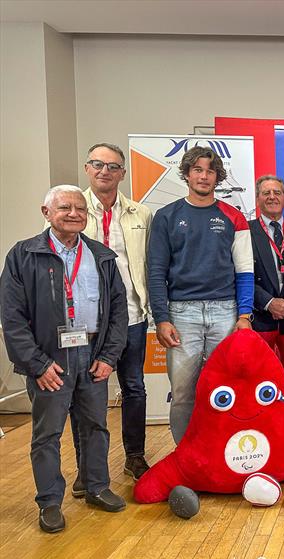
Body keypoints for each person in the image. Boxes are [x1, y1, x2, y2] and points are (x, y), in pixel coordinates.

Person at [1, 185, 129, 533]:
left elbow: (118, 311)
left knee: (96, 427)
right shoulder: (23, 255)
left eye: (79, 209)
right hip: (50, 358)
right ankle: (50, 502)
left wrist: (108, 356)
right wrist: (37, 364)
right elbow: (12, 318)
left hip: (92, 356)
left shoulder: (101, 255)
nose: (74, 214)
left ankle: (96, 486)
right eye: (64, 208)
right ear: (46, 212)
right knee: (47, 434)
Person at [147, 146, 254, 444]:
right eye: (197, 170)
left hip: (225, 311)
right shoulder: (166, 217)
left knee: (228, 386)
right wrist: (162, 319)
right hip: (182, 314)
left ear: (218, 176)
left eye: (210, 171)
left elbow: (245, 271)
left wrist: (244, 316)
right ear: (186, 174)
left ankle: (226, 450)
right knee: (182, 392)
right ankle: (185, 453)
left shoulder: (234, 217)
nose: (204, 176)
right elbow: (156, 272)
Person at [67, 143, 153, 491]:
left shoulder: (141, 213)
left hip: (131, 316)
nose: (105, 171)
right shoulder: (72, 209)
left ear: (122, 173)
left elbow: (151, 263)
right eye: (98, 164)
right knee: (85, 394)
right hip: (86, 323)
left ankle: (135, 455)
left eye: (113, 166)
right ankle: (86, 467)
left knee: (134, 388)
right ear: (88, 169)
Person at [249, 175, 284, 408]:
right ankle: (263, 429)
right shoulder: (244, 231)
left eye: (277, 193)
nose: (272, 197)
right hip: (260, 318)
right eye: (266, 193)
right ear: (258, 198)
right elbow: (239, 275)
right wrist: (270, 302)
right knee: (259, 378)